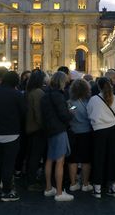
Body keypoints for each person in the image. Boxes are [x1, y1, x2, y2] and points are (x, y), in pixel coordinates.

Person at [0, 71, 26, 202]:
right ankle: (7, 191)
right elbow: (23, 113)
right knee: (8, 164)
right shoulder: (17, 94)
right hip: (11, 134)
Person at [41, 71, 74, 202]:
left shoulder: (45, 95)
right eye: (65, 82)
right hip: (59, 129)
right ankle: (59, 192)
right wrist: (71, 113)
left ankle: (49, 188)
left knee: (49, 159)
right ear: (61, 82)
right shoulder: (58, 96)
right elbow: (64, 115)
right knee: (60, 161)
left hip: (48, 130)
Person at [87, 77, 115, 198]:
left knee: (98, 158)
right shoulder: (114, 98)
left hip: (99, 130)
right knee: (114, 158)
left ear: (98, 86)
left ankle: (97, 189)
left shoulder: (93, 99)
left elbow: (90, 113)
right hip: (113, 129)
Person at [67, 78, 94, 193]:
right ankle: (85, 183)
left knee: (72, 159)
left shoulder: (70, 103)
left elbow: (71, 112)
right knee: (86, 159)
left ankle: (73, 183)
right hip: (86, 132)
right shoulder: (89, 102)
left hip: (73, 132)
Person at [24, 70, 47, 192]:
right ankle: (31, 182)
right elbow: (39, 113)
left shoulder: (29, 91)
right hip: (37, 129)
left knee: (31, 155)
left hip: (29, 127)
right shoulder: (38, 93)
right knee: (35, 156)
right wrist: (44, 126)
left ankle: (29, 178)